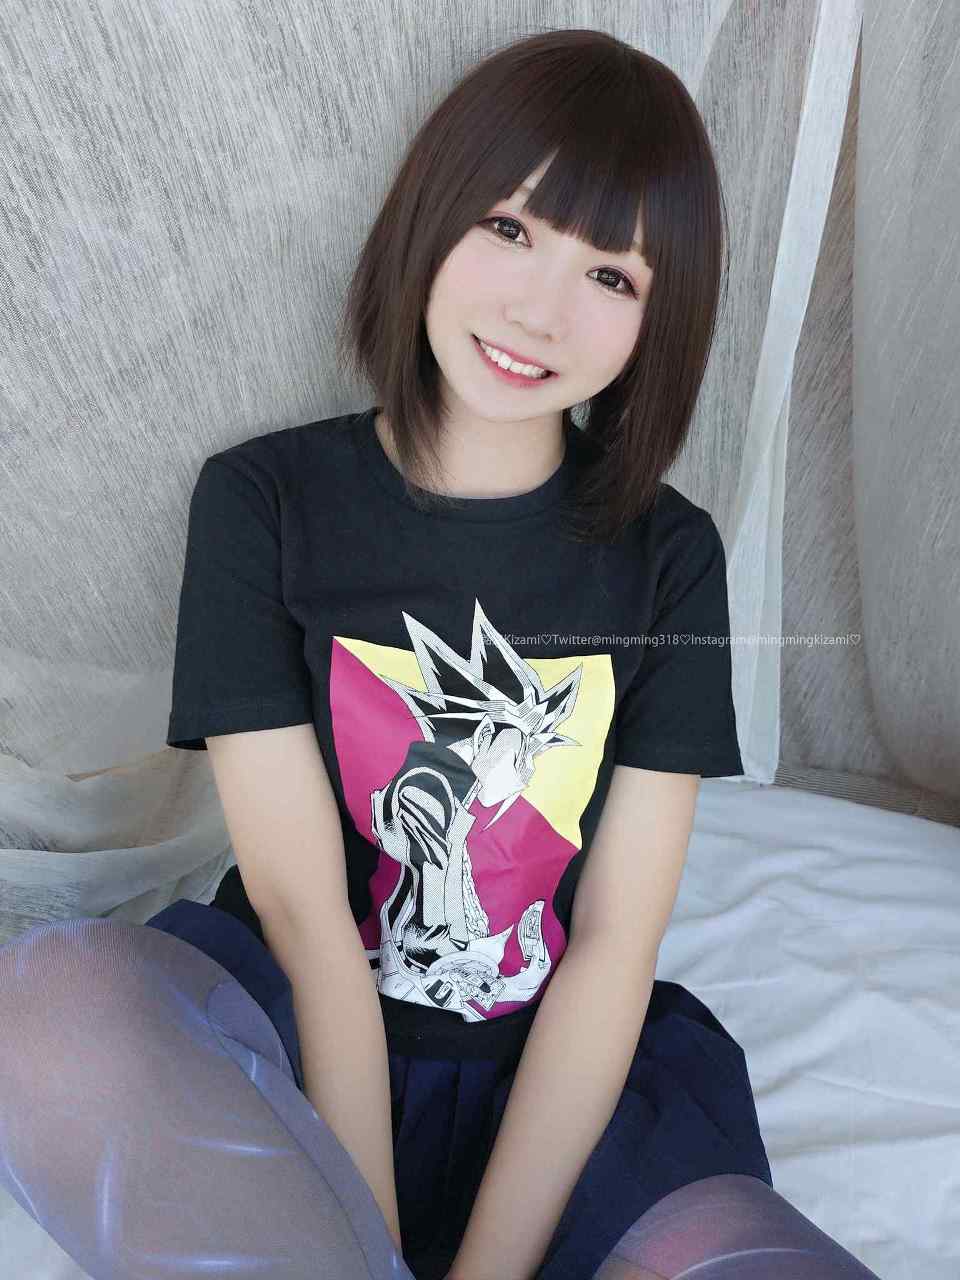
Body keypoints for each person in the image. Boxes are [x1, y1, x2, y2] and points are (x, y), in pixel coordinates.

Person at [0, 27, 883, 1280]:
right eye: (509, 227)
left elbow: (613, 944)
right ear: (431, 210)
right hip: (295, 1033)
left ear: (659, 318)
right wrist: (366, 1228)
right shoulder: (263, 502)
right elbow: (306, 911)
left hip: (561, 1090)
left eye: (611, 274)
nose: (539, 308)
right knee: (45, 1007)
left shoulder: (670, 555)